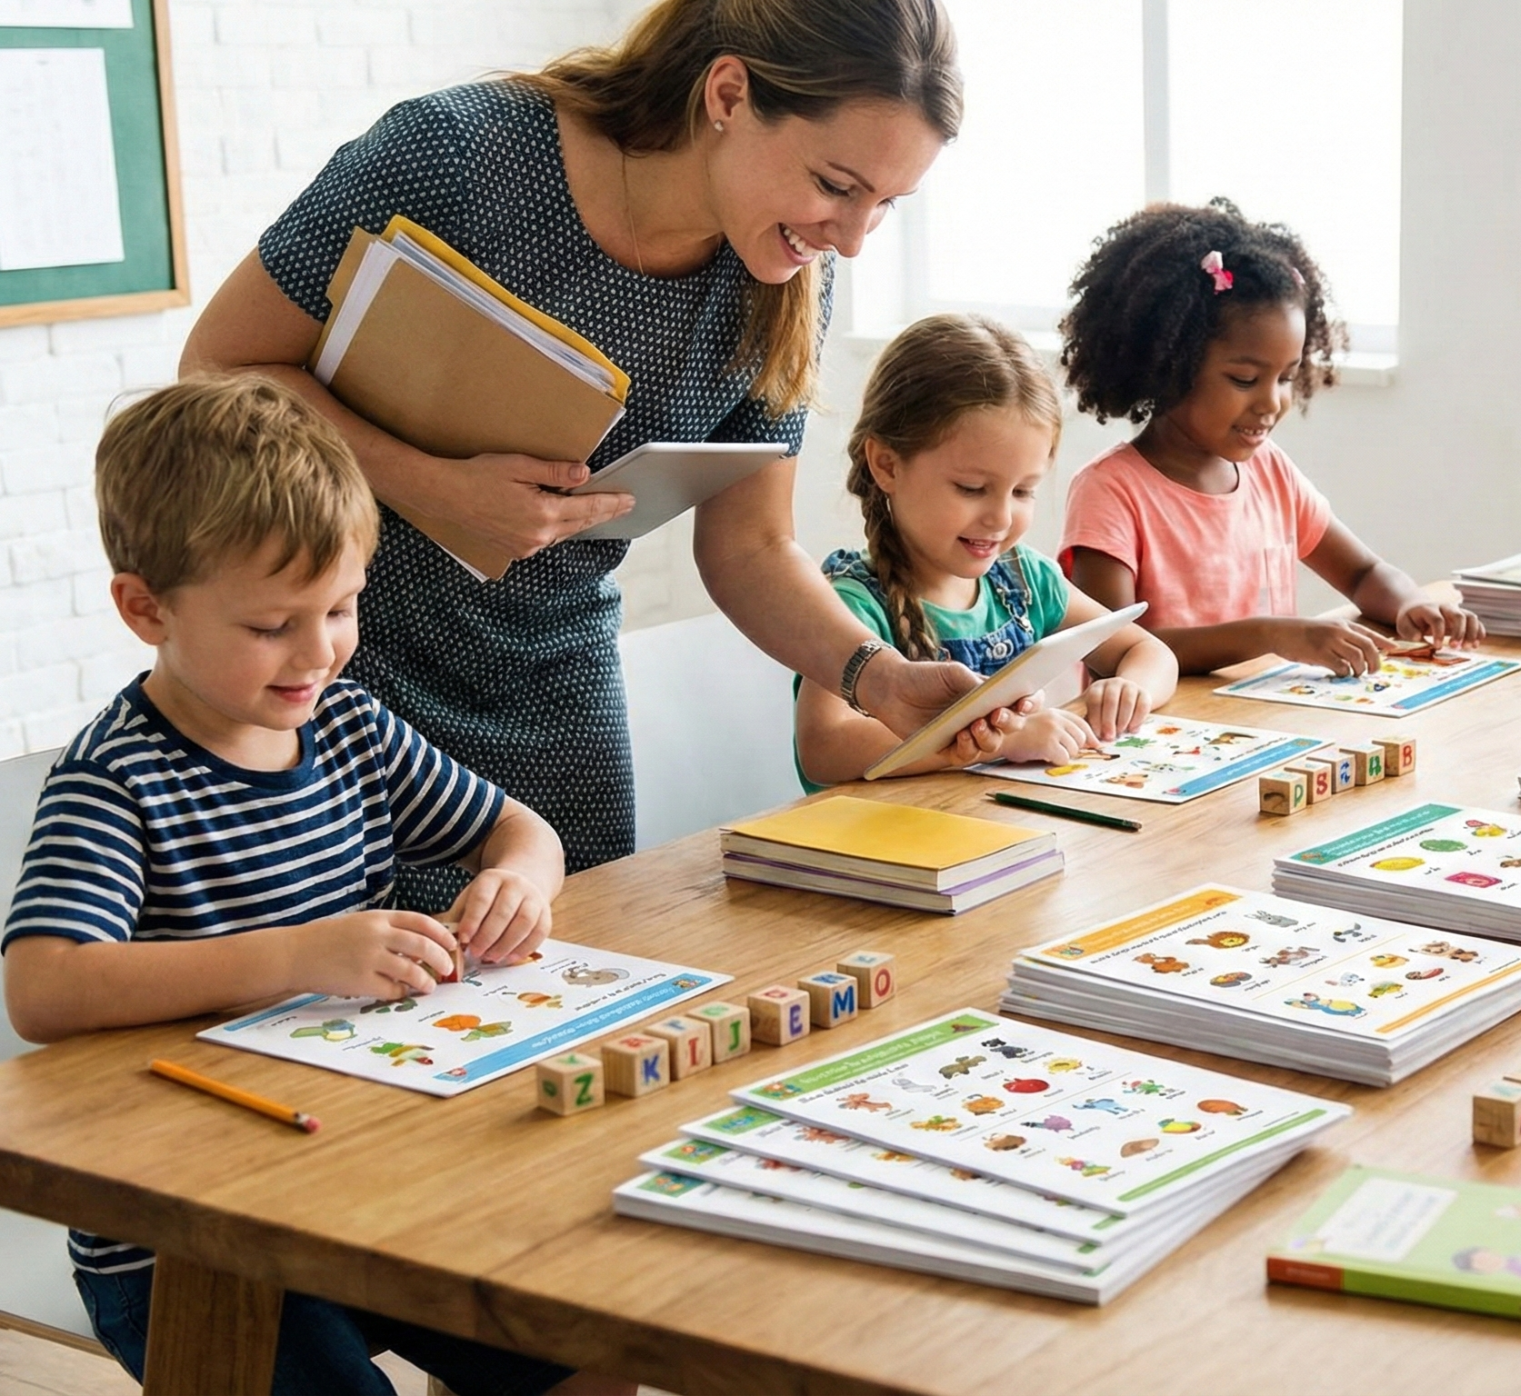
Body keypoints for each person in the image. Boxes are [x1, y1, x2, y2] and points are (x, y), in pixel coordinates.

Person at [177, 0, 1004, 909]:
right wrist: (432, 489)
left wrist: (877, 678)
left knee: (577, 985)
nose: (850, 236)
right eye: (837, 185)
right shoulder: (457, 153)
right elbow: (221, 366)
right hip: (335, 672)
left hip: (558, 688)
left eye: (887, 205)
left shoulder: (790, 276)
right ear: (728, 92)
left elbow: (753, 548)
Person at [0, 377, 622, 1396]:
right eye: (270, 625)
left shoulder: (350, 726)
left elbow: (521, 829)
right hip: (182, 1240)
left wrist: (518, 879)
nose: (317, 651)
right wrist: (296, 954)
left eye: (340, 608)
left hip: (358, 1187)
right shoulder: (115, 779)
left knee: (587, 1353)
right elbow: (45, 986)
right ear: (144, 607)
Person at [1056, 198, 1480, 676]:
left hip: (1267, 725)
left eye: (1285, 377)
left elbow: (1363, 574)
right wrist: (1270, 634)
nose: (1272, 402)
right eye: (1243, 379)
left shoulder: (1270, 471)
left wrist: (1409, 604)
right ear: (1168, 365)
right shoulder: (1111, 491)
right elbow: (1110, 647)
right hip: (1160, 735)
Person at [796, 314, 1177, 784]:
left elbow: (1148, 651)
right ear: (887, 465)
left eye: (1023, 492)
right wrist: (1000, 741)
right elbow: (824, 746)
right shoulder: (852, 603)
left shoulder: (1024, 580)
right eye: (972, 488)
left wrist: (1128, 689)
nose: (1000, 518)